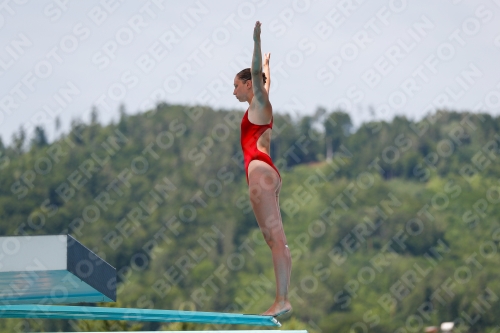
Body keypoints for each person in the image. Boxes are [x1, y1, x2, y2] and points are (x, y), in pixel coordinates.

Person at [233, 21, 292, 318]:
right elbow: (265, 81)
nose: (233, 92)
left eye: (236, 85)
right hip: (268, 173)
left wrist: (256, 43)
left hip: (259, 174)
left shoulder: (258, 102)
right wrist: (269, 68)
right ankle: (281, 299)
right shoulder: (261, 106)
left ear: (247, 84)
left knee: (275, 241)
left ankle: (282, 300)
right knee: (276, 240)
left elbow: (258, 77)